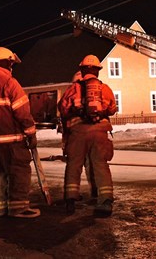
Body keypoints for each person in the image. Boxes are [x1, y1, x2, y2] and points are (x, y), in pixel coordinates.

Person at [0, 47, 40, 218]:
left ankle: (0, 210)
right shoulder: (9, 83)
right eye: (11, 63)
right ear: (7, 62)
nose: (12, 66)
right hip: (11, 142)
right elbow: (23, 114)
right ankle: (18, 209)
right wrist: (31, 134)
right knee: (19, 173)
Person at [59, 55, 117, 216]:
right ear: (98, 71)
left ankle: (70, 200)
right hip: (99, 132)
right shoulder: (104, 88)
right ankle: (105, 201)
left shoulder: (73, 89)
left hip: (78, 132)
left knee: (74, 165)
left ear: (83, 70)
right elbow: (112, 108)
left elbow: (62, 108)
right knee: (100, 165)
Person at [60, 71, 97, 199]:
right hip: (92, 134)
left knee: (73, 166)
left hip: (74, 135)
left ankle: (71, 195)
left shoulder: (69, 92)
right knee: (92, 165)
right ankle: (95, 192)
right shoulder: (95, 90)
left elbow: (63, 111)